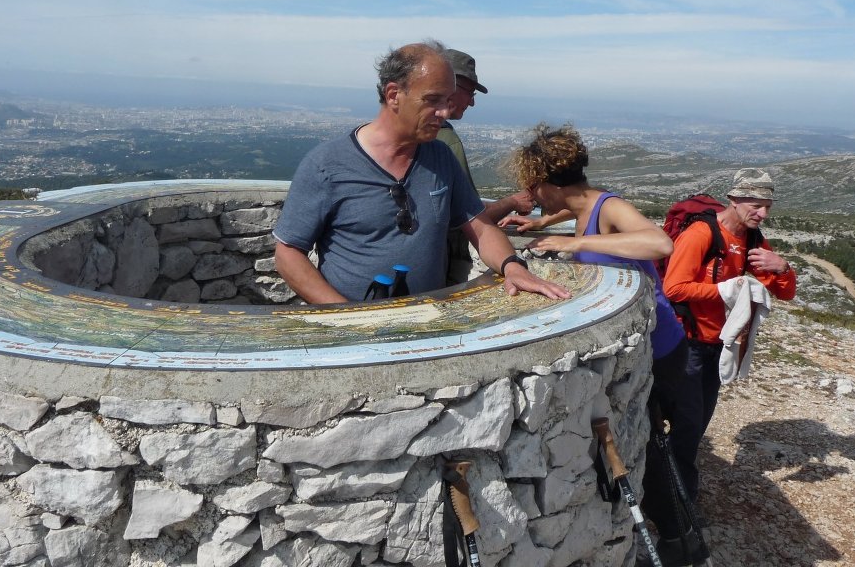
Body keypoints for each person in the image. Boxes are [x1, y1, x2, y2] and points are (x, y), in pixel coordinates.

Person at [499, 124, 692, 562]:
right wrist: (539, 224)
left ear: (549, 181)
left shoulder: (609, 207)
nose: (533, 194)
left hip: (662, 346)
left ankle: (680, 538)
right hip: (649, 345)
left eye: (534, 187)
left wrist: (578, 241)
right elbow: (578, 214)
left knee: (653, 443)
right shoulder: (587, 204)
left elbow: (659, 242)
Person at [273, 41, 571, 305]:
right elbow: (288, 254)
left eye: (447, 100)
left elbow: (479, 227)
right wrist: (344, 316)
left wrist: (512, 266)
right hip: (351, 330)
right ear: (393, 95)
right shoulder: (327, 165)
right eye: (433, 100)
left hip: (427, 318)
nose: (443, 112)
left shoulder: (440, 157)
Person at [662, 168, 796, 511]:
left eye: (767, 206)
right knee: (689, 426)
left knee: (697, 423)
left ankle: (670, 490)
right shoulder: (701, 234)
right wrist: (726, 290)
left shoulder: (752, 240)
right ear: (734, 200)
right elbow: (674, 288)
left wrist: (782, 268)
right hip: (687, 345)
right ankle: (678, 505)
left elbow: (787, 293)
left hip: (718, 347)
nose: (762, 213)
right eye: (755, 205)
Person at [438, 48, 535, 284]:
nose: (472, 101)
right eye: (469, 92)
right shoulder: (444, 141)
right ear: (449, 85)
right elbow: (470, 218)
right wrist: (512, 202)